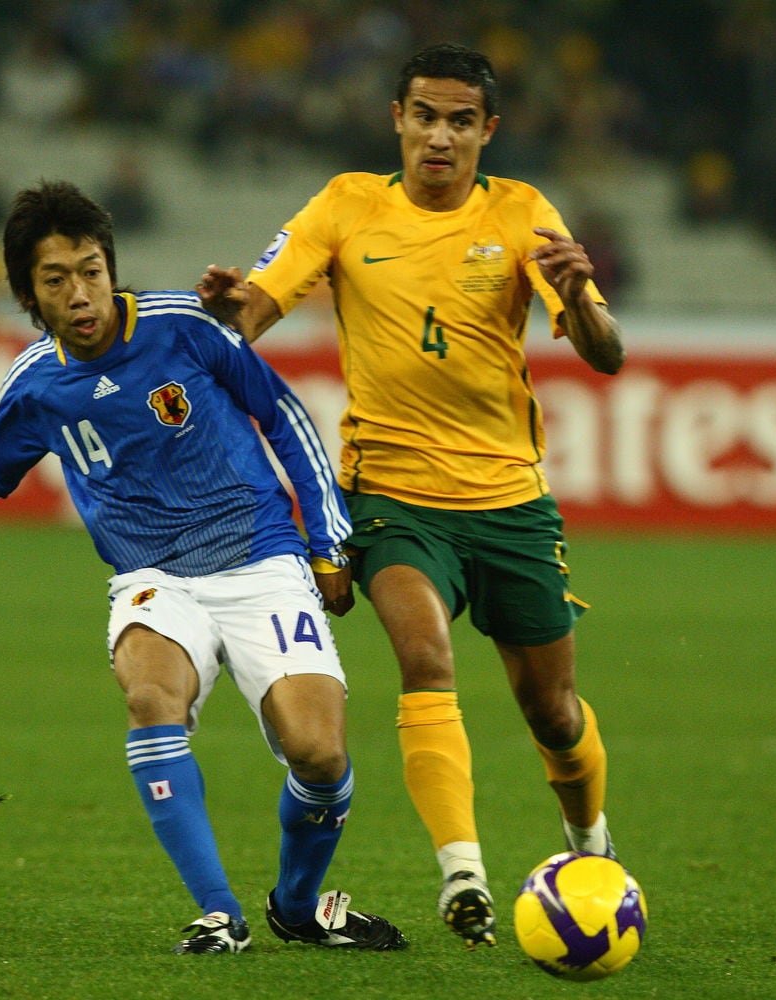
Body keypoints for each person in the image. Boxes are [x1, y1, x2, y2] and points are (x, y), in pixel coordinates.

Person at [0, 180, 406, 956]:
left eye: (92, 269)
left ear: (111, 266)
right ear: (30, 296)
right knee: (150, 699)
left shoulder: (184, 329)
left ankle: (296, 907)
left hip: (262, 559)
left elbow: (285, 416)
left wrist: (329, 538)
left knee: (321, 756)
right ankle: (217, 913)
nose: (81, 292)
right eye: (56, 279)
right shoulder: (35, 381)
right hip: (153, 578)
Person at [197, 42, 627, 950]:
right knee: (426, 659)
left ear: (487, 131)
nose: (440, 135)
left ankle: (590, 844)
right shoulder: (346, 204)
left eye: (460, 120)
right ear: (396, 118)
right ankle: (462, 873)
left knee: (552, 711)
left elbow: (605, 352)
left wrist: (584, 299)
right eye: (424, 116)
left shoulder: (521, 214)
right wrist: (225, 308)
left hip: (510, 500)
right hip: (391, 496)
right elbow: (245, 323)